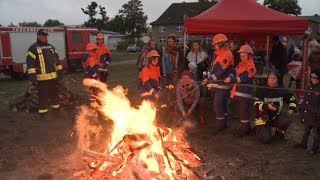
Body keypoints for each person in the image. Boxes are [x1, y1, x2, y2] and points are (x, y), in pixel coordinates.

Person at [26, 29, 63, 116]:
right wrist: (33, 78)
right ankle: (43, 114)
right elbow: (30, 65)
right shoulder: (33, 48)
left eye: (46, 36)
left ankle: (56, 111)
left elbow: (57, 61)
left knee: (54, 95)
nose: (45, 37)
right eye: (43, 36)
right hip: (41, 79)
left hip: (53, 78)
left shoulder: (51, 47)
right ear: (38, 36)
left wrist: (60, 72)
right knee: (43, 97)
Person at [253, 70, 296, 144]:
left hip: (276, 116)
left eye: (274, 78)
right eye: (270, 78)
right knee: (265, 140)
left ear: (277, 80)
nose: (271, 80)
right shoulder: (261, 89)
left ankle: (279, 133)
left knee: (286, 121)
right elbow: (256, 104)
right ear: (267, 79)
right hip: (263, 118)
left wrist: (292, 109)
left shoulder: (282, 90)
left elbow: (292, 100)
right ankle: (257, 129)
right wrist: (266, 106)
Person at [224, 45, 257, 137]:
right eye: (241, 56)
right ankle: (245, 127)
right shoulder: (241, 64)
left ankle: (245, 129)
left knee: (243, 111)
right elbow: (234, 72)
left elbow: (243, 78)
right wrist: (229, 77)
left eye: (243, 56)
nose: (241, 58)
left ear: (249, 56)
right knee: (241, 111)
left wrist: (232, 80)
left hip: (244, 93)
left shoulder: (251, 67)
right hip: (238, 93)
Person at [205, 33, 234, 135]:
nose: (214, 46)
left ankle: (220, 125)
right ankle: (224, 123)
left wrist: (210, 79)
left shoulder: (226, 54)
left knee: (217, 104)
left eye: (215, 44)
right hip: (220, 84)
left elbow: (221, 71)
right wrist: (209, 76)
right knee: (223, 104)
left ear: (220, 44)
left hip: (222, 84)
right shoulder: (219, 54)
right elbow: (215, 69)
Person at [294, 69, 320, 154]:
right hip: (307, 114)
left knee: (316, 133)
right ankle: (303, 144)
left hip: (316, 115)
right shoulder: (309, 87)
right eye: (311, 77)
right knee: (306, 130)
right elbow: (305, 100)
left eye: (314, 77)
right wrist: (301, 108)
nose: (312, 79)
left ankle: (315, 148)